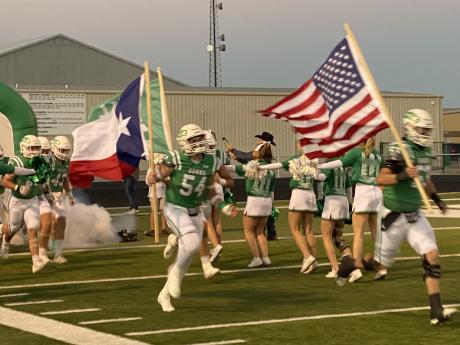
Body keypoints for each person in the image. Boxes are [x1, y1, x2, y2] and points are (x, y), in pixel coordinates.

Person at [362, 109, 457, 325]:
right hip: (393, 215)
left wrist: (437, 199)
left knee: (431, 256)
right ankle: (352, 264)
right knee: (378, 262)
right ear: (410, 127)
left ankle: (436, 311)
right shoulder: (400, 150)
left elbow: (425, 179)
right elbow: (381, 179)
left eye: (426, 129)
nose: (424, 133)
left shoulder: (425, 151)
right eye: (421, 129)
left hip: (415, 213)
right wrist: (403, 175)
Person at [150, 123, 235, 312]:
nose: (198, 143)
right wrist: (153, 175)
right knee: (191, 241)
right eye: (193, 140)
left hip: (195, 209)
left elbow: (224, 183)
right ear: (184, 142)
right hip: (175, 207)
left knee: (188, 253)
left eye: (199, 138)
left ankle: (164, 295)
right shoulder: (176, 158)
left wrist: (222, 201)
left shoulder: (211, 161)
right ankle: (174, 272)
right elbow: (159, 175)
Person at [320, 137, 384, 284]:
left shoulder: (356, 153)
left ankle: (356, 270)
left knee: (359, 234)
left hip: (363, 192)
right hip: (376, 193)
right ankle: (382, 267)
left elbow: (338, 163)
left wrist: (318, 166)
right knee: (376, 232)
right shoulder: (378, 155)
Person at [259, 143, 325, 274]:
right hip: (311, 194)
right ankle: (314, 260)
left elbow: (278, 165)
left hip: (299, 194)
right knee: (309, 230)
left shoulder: (296, 158)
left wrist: (260, 167)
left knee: (294, 228)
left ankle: (307, 256)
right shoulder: (314, 159)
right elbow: (320, 178)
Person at [1, 135, 48, 273]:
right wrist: (17, 187)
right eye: (31, 148)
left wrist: (31, 184)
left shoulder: (41, 162)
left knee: (33, 228)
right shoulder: (17, 161)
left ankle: (36, 262)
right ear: (23, 148)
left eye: (36, 148)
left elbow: (38, 178)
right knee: (13, 227)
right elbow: (5, 181)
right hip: (16, 200)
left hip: (32, 200)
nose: (34, 151)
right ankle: (5, 240)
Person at [227, 142, 276, 267]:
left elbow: (233, 169)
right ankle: (265, 257)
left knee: (248, 231)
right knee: (260, 231)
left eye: (255, 149)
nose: (253, 151)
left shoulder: (251, 166)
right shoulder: (271, 169)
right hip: (266, 201)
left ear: (259, 152)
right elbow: (271, 190)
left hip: (254, 200)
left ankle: (256, 258)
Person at [227, 131, 278, 241]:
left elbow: (248, 157)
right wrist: (237, 157)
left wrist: (233, 150)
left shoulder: (261, 151)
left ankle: (261, 234)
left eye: (259, 140)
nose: (257, 142)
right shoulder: (267, 153)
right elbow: (248, 159)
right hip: (266, 190)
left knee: (256, 220)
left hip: (258, 190)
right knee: (267, 213)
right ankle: (270, 233)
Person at [319, 158, 353, 278]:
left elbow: (322, 177)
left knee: (326, 236)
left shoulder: (330, 162)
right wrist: (349, 205)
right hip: (343, 200)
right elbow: (349, 187)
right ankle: (353, 268)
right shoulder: (343, 165)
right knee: (337, 238)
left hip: (332, 200)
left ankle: (335, 268)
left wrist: (310, 173)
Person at [48, 136, 74, 263]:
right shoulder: (48, 160)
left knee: (60, 222)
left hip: (58, 196)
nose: (64, 153)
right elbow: (38, 178)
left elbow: (64, 179)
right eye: (62, 150)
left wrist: (69, 194)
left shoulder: (67, 161)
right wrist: (46, 192)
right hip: (43, 195)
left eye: (66, 150)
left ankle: (57, 254)